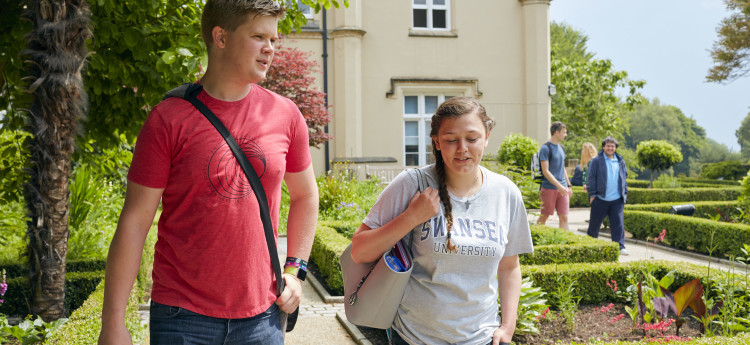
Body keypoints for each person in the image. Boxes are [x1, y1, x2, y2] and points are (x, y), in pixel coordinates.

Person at [98, 1, 319, 344]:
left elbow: (306, 196)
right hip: (182, 318)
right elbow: (135, 221)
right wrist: (112, 322)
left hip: (263, 317)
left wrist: (296, 271)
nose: (270, 48)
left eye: (273, 39)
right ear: (220, 37)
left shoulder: (286, 115)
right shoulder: (168, 119)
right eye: (259, 36)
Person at [350, 97, 534, 345]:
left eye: (472, 138)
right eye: (450, 140)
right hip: (414, 338)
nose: (462, 148)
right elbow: (359, 251)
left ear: (487, 136)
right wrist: (411, 218)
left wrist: (508, 326)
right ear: (436, 141)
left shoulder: (506, 192)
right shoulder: (412, 184)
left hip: (482, 339)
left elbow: (509, 266)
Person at [586, 137, 629, 256]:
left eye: (613, 146)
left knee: (618, 224)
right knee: (594, 224)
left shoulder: (620, 161)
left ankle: (620, 246)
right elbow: (591, 178)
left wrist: (624, 194)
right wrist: (592, 194)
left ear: (615, 148)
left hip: (617, 199)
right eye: (608, 146)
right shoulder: (596, 161)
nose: (610, 148)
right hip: (600, 198)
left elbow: (624, 178)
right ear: (603, 147)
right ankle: (589, 245)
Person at [536, 121, 573, 230]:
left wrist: (568, 185)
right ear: (556, 132)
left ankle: (565, 244)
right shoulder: (545, 148)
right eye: (564, 132)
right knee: (545, 216)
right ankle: (535, 238)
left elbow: (562, 168)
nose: (565, 135)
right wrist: (559, 186)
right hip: (549, 188)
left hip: (563, 188)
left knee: (564, 217)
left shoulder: (561, 148)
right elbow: (545, 171)